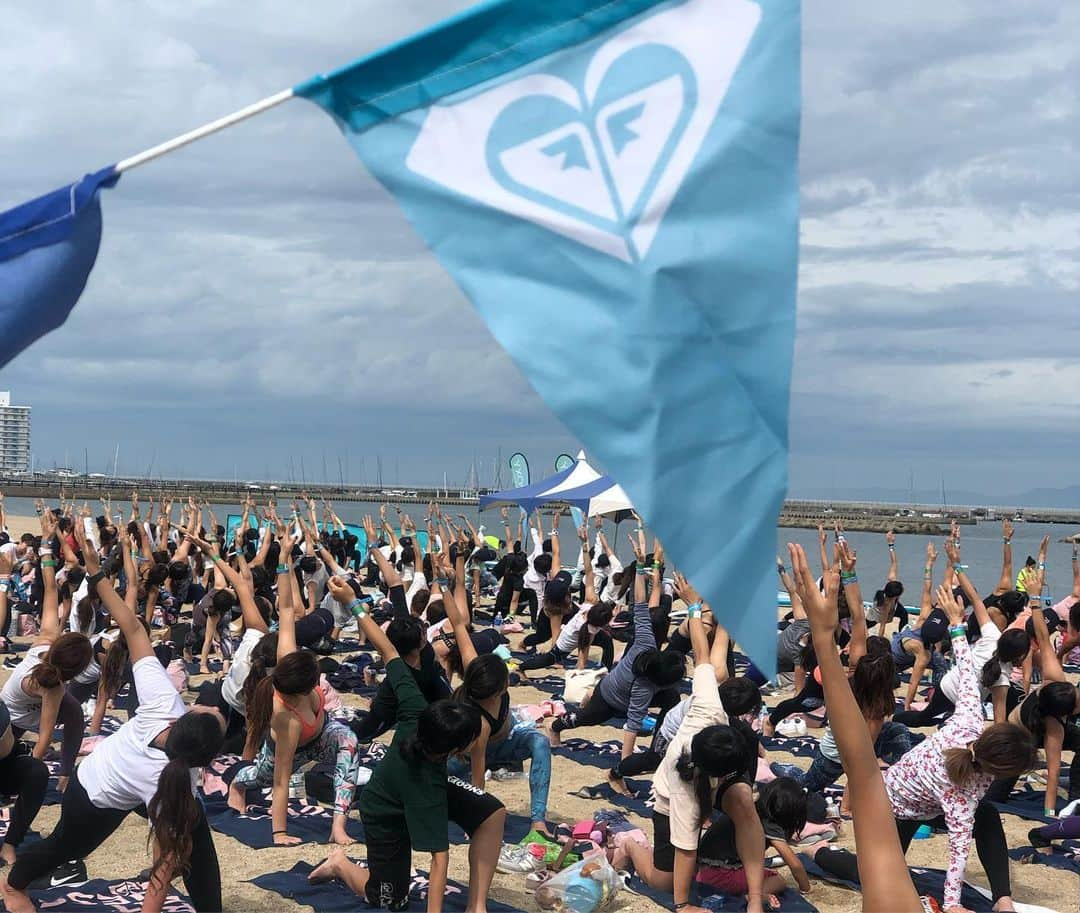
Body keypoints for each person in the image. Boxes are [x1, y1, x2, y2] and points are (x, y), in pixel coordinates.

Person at [1, 536, 226, 913]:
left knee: (196, 834)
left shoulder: (164, 708)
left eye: (210, 713)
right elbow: (161, 871)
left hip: (129, 783)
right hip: (93, 793)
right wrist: (96, 572)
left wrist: (97, 572)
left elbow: (134, 629)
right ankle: (13, 885)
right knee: (66, 847)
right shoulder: (172, 767)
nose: (213, 708)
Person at [815, 572, 1038, 913]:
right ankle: (820, 854)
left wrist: (956, 623)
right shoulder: (963, 792)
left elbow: (965, 669)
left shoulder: (969, 721)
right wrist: (951, 906)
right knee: (874, 875)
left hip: (924, 802)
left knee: (988, 814)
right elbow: (957, 850)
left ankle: (1002, 899)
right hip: (889, 810)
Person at [314, 573, 505, 913]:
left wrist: (351, 601)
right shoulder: (428, 786)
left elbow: (386, 648)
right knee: (390, 899)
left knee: (491, 811)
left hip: (420, 784)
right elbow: (438, 860)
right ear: (454, 751)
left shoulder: (416, 708)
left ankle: (477, 906)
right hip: (384, 810)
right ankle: (341, 865)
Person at [618, 577, 771, 913]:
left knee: (746, 804)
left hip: (713, 773)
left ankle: (756, 897)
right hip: (672, 793)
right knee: (664, 879)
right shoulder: (683, 783)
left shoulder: (710, 708)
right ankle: (630, 846)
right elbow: (686, 850)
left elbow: (702, 651)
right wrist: (684, 904)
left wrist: (693, 606)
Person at [785, 543, 923, 913]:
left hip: (835, 756)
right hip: (848, 755)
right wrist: (847, 574)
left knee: (802, 788)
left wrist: (823, 631)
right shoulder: (877, 699)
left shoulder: (858, 685)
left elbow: (858, 768)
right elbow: (862, 771)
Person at [226, 528, 360, 846]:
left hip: (320, 733)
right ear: (301, 691)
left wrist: (285, 558)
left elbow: (286, 609)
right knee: (258, 776)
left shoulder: (288, 658)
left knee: (349, 741)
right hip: (292, 748)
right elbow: (282, 779)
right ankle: (234, 783)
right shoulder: (284, 717)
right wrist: (280, 832)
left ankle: (338, 827)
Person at [441, 546, 553, 838]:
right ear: (498, 689)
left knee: (540, 743)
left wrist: (445, 583)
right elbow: (479, 779)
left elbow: (457, 623)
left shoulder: (473, 667)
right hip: (470, 754)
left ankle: (538, 819)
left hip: (508, 740)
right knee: (439, 779)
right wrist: (477, 818)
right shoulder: (476, 723)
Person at [550, 536, 685, 767]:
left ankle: (659, 744)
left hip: (622, 688)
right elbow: (631, 727)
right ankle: (555, 728)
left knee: (672, 697)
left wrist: (641, 565)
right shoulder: (644, 688)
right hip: (610, 697)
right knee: (584, 719)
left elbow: (641, 602)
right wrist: (625, 767)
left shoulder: (646, 641)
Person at [0, 513, 92, 793]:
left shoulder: (46, 638)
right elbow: (45, 735)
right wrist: (32, 774)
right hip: (12, 718)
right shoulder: (53, 688)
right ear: (73, 674)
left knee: (74, 711)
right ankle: (58, 774)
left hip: (16, 706)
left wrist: (47, 545)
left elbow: (50, 586)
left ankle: (63, 773)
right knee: (72, 714)